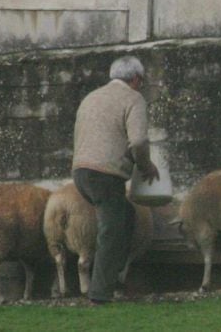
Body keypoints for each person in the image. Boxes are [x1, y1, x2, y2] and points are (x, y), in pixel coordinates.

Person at [71, 55, 159, 305]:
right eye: (141, 81)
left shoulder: (91, 97)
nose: (141, 85)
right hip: (105, 174)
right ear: (135, 79)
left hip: (80, 171)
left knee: (124, 216)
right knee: (111, 232)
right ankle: (100, 294)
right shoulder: (133, 98)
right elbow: (139, 141)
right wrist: (146, 166)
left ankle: (114, 272)